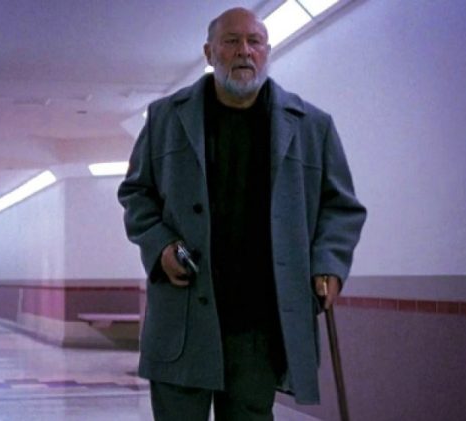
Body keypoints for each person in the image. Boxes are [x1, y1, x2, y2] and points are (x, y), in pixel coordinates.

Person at [118, 7, 366, 420]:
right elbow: (136, 193)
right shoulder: (166, 118)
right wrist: (161, 246)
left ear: (267, 50)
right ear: (209, 53)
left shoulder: (311, 126)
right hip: (183, 317)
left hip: (258, 325)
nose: (244, 51)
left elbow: (340, 207)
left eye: (255, 42)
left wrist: (329, 263)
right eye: (231, 41)